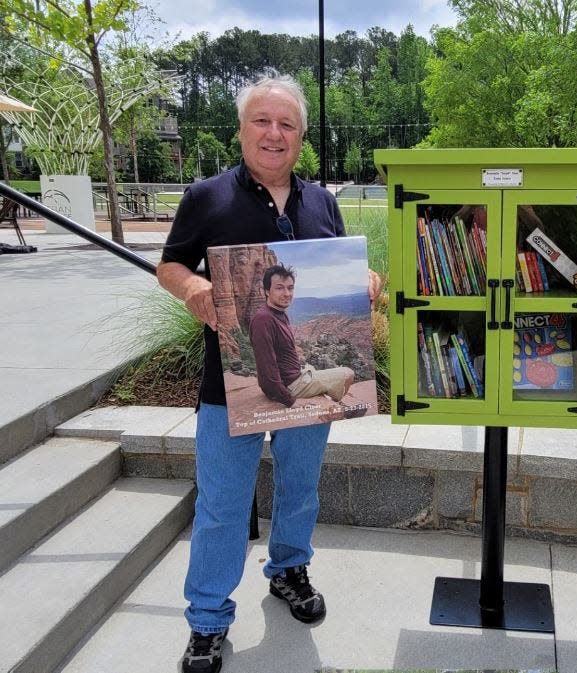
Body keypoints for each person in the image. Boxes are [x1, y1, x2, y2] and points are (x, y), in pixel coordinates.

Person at [157, 72, 382, 673]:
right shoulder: (207, 197)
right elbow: (170, 265)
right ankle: (207, 620)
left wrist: (369, 284)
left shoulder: (321, 202)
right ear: (241, 129)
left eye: (287, 125)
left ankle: (288, 568)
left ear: (301, 137)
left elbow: (345, 267)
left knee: (300, 488)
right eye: (262, 121)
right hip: (225, 391)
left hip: (300, 388)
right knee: (223, 504)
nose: (274, 134)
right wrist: (195, 288)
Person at [250, 263, 354, 407]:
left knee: (311, 366)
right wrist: (291, 402)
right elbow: (267, 371)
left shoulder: (278, 312)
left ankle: (330, 402)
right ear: (267, 291)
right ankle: (335, 406)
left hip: (294, 376)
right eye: (280, 288)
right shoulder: (264, 320)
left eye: (290, 288)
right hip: (291, 386)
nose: (287, 293)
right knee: (348, 373)